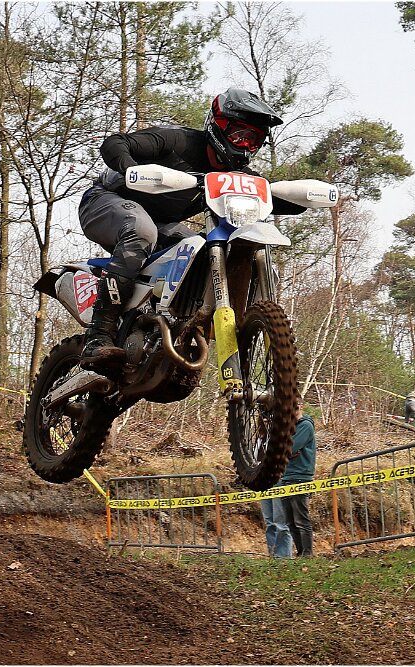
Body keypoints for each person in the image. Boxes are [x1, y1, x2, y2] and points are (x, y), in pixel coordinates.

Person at [77, 87, 306, 369]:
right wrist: (130, 169)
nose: (246, 145)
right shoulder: (178, 141)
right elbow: (115, 143)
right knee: (142, 231)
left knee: (196, 251)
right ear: (219, 125)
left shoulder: (237, 176)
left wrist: (299, 198)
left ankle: (161, 329)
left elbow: (274, 196)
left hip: (161, 223)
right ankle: (98, 335)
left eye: (254, 139)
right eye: (240, 135)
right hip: (106, 200)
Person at [279, 405, 317, 557]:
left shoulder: (305, 425)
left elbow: (290, 448)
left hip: (300, 476)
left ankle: (307, 553)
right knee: (290, 521)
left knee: (301, 519)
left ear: (299, 407)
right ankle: (301, 553)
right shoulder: (288, 427)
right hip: (286, 476)